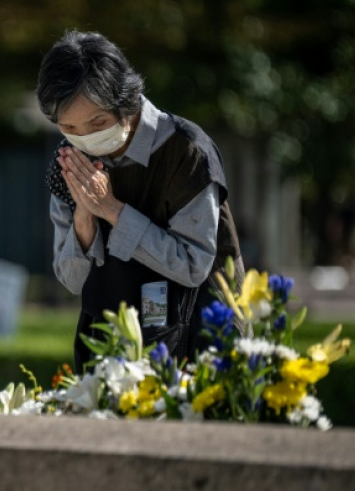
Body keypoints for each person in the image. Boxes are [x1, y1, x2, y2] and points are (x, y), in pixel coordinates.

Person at [38, 31, 244, 372]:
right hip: (110, 348)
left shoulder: (185, 151)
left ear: (126, 102)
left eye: (98, 123)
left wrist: (112, 210)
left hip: (200, 343)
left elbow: (194, 265)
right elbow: (72, 279)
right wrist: (84, 221)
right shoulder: (69, 160)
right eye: (70, 127)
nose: (86, 138)